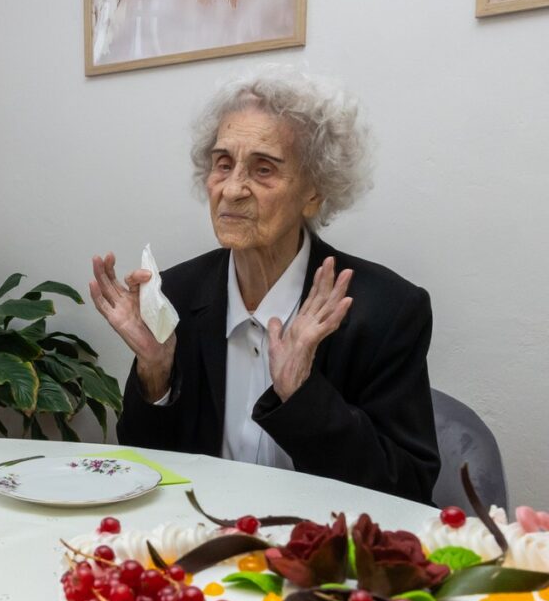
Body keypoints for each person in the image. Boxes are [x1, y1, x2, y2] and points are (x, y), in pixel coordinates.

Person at [90, 67, 440, 503]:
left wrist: (301, 395)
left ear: (314, 192)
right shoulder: (176, 296)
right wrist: (156, 372)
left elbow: (408, 489)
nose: (232, 189)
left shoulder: (386, 310)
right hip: (199, 535)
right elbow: (146, 468)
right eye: (223, 164)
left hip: (322, 538)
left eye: (263, 169)